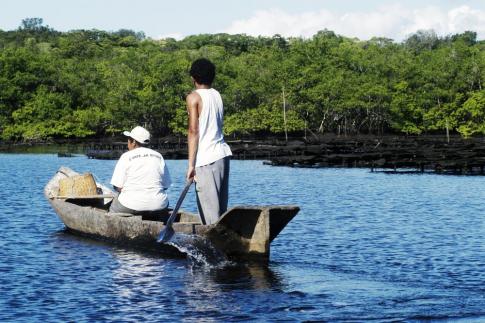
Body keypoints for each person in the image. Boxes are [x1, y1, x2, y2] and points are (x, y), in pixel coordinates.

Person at [186, 58, 232, 225]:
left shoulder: (193, 97)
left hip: (206, 159)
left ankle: (213, 247)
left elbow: (193, 131)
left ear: (194, 78)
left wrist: (191, 165)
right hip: (222, 155)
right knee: (220, 209)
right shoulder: (217, 94)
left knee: (210, 215)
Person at [109, 126, 171, 219]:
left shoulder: (126, 156)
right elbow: (166, 185)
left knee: (112, 209)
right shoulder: (159, 156)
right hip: (159, 205)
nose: (127, 143)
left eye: (129, 140)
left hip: (131, 205)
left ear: (133, 142)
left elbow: (117, 186)